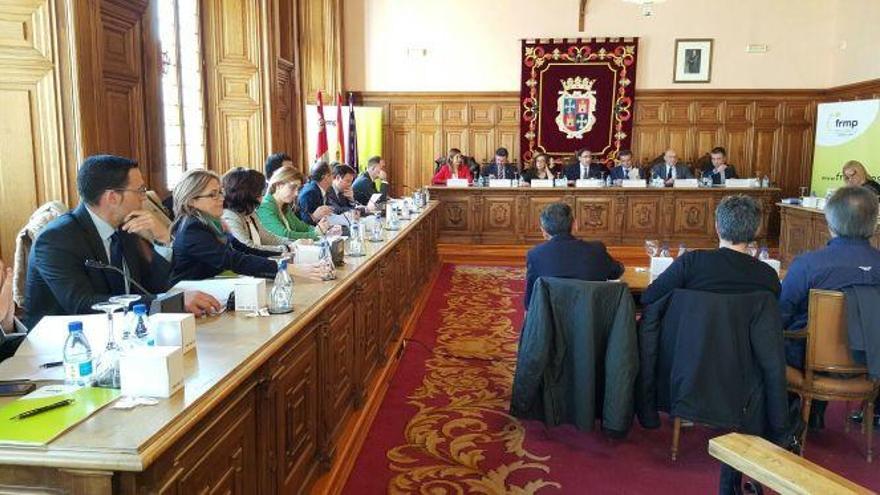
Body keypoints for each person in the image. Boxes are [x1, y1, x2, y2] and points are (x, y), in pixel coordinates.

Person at [23, 154, 221, 328]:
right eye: (140, 190)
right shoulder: (55, 240)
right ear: (112, 198)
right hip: (64, 349)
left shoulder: (125, 229)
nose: (144, 199)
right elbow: (83, 304)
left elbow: (156, 286)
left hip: (122, 333)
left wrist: (162, 240)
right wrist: (172, 302)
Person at [780, 186, 880, 429]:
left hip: (808, 362)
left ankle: (788, 417)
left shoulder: (808, 265)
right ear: (874, 224)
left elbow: (780, 314)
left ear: (829, 222)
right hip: (871, 362)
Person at [170, 170, 326, 284]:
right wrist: (289, 269)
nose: (221, 199)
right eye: (213, 195)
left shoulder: (209, 222)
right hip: (194, 295)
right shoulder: (193, 229)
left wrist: (286, 264)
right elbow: (235, 260)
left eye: (220, 192)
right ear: (191, 200)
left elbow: (245, 249)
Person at [642, 195, 780, 305]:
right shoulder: (768, 275)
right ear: (757, 231)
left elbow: (649, 297)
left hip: (692, 339)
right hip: (745, 340)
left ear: (717, 227)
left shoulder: (691, 262)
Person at [524, 202, 624, 308]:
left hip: (550, 321)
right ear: (575, 224)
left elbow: (531, 299)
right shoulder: (597, 250)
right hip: (592, 319)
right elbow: (616, 272)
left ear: (543, 231)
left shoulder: (535, 255)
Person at [221, 167, 291, 254]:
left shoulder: (248, 211)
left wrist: (293, 244)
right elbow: (248, 248)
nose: (262, 197)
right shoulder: (229, 216)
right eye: (260, 193)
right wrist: (286, 249)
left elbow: (267, 237)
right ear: (248, 194)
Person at [257, 166, 326, 241]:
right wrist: (315, 234)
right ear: (278, 185)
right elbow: (284, 235)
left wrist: (321, 228)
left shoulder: (285, 206)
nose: (296, 193)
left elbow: (302, 227)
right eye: (292, 187)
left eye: (298, 189)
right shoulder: (265, 206)